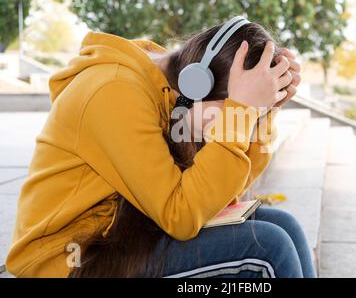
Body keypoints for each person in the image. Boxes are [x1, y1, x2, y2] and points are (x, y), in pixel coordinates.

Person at [6, 16, 316, 278]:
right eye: (233, 111)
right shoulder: (114, 92)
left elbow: (221, 198)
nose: (236, 123)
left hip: (124, 236)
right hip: (68, 261)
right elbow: (180, 216)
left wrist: (265, 110)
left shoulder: (178, 89)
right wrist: (241, 112)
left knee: (283, 224)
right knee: (267, 247)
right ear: (199, 86)